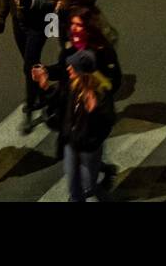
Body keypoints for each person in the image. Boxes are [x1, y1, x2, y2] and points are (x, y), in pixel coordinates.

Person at [32, 48, 117, 202]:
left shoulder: (101, 95)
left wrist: (94, 113)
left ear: (83, 71)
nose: (69, 68)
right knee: (74, 189)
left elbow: (107, 123)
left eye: (72, 66)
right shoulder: (71, 86)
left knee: (88, 186)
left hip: (89, 149)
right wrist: (44, 86)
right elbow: (54, 100)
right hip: (71, 144)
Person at [0, 0, 56, 133]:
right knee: (31, 66)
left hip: (38, 27)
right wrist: (1, 16)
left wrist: (32, 3)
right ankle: (47, 96)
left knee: (29, 68)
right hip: (18, 24)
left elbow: (55, 3)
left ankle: (30, 110)